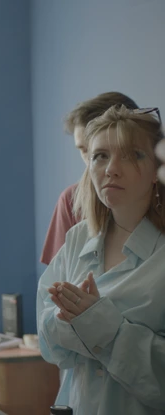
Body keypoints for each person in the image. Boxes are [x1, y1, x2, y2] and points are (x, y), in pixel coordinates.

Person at [37, 106, 165, 414]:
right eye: (100, 156)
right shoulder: (78, 237)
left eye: (132, 155)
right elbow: (49, 342)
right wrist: (72, 321)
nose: (111, 169)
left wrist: (103, 328)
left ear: (157, 172)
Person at [40, 92, 138, 265]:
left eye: (101, 151)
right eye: (84, 150)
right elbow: (57, 276)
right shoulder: (71, 200)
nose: (92, 161)